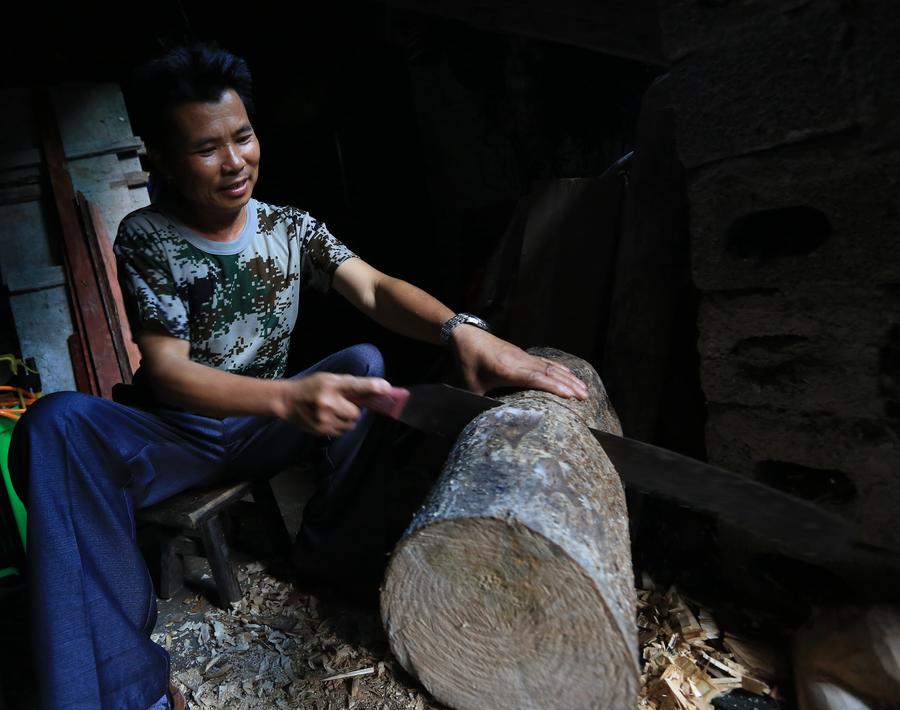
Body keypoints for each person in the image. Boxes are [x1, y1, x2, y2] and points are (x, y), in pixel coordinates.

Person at [9, 42, 587, 709]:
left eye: (243, 137)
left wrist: (462, 328)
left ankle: (328, 554)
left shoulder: (290, 227)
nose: (234, 163)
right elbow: (167, 372)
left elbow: (373, 289)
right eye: (205, 149)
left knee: (365, 368)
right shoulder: (148, 236)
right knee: (53, 423)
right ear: (163, 159)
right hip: (180, 434)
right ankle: (120, 687)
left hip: (261, 428)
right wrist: (288, 395)